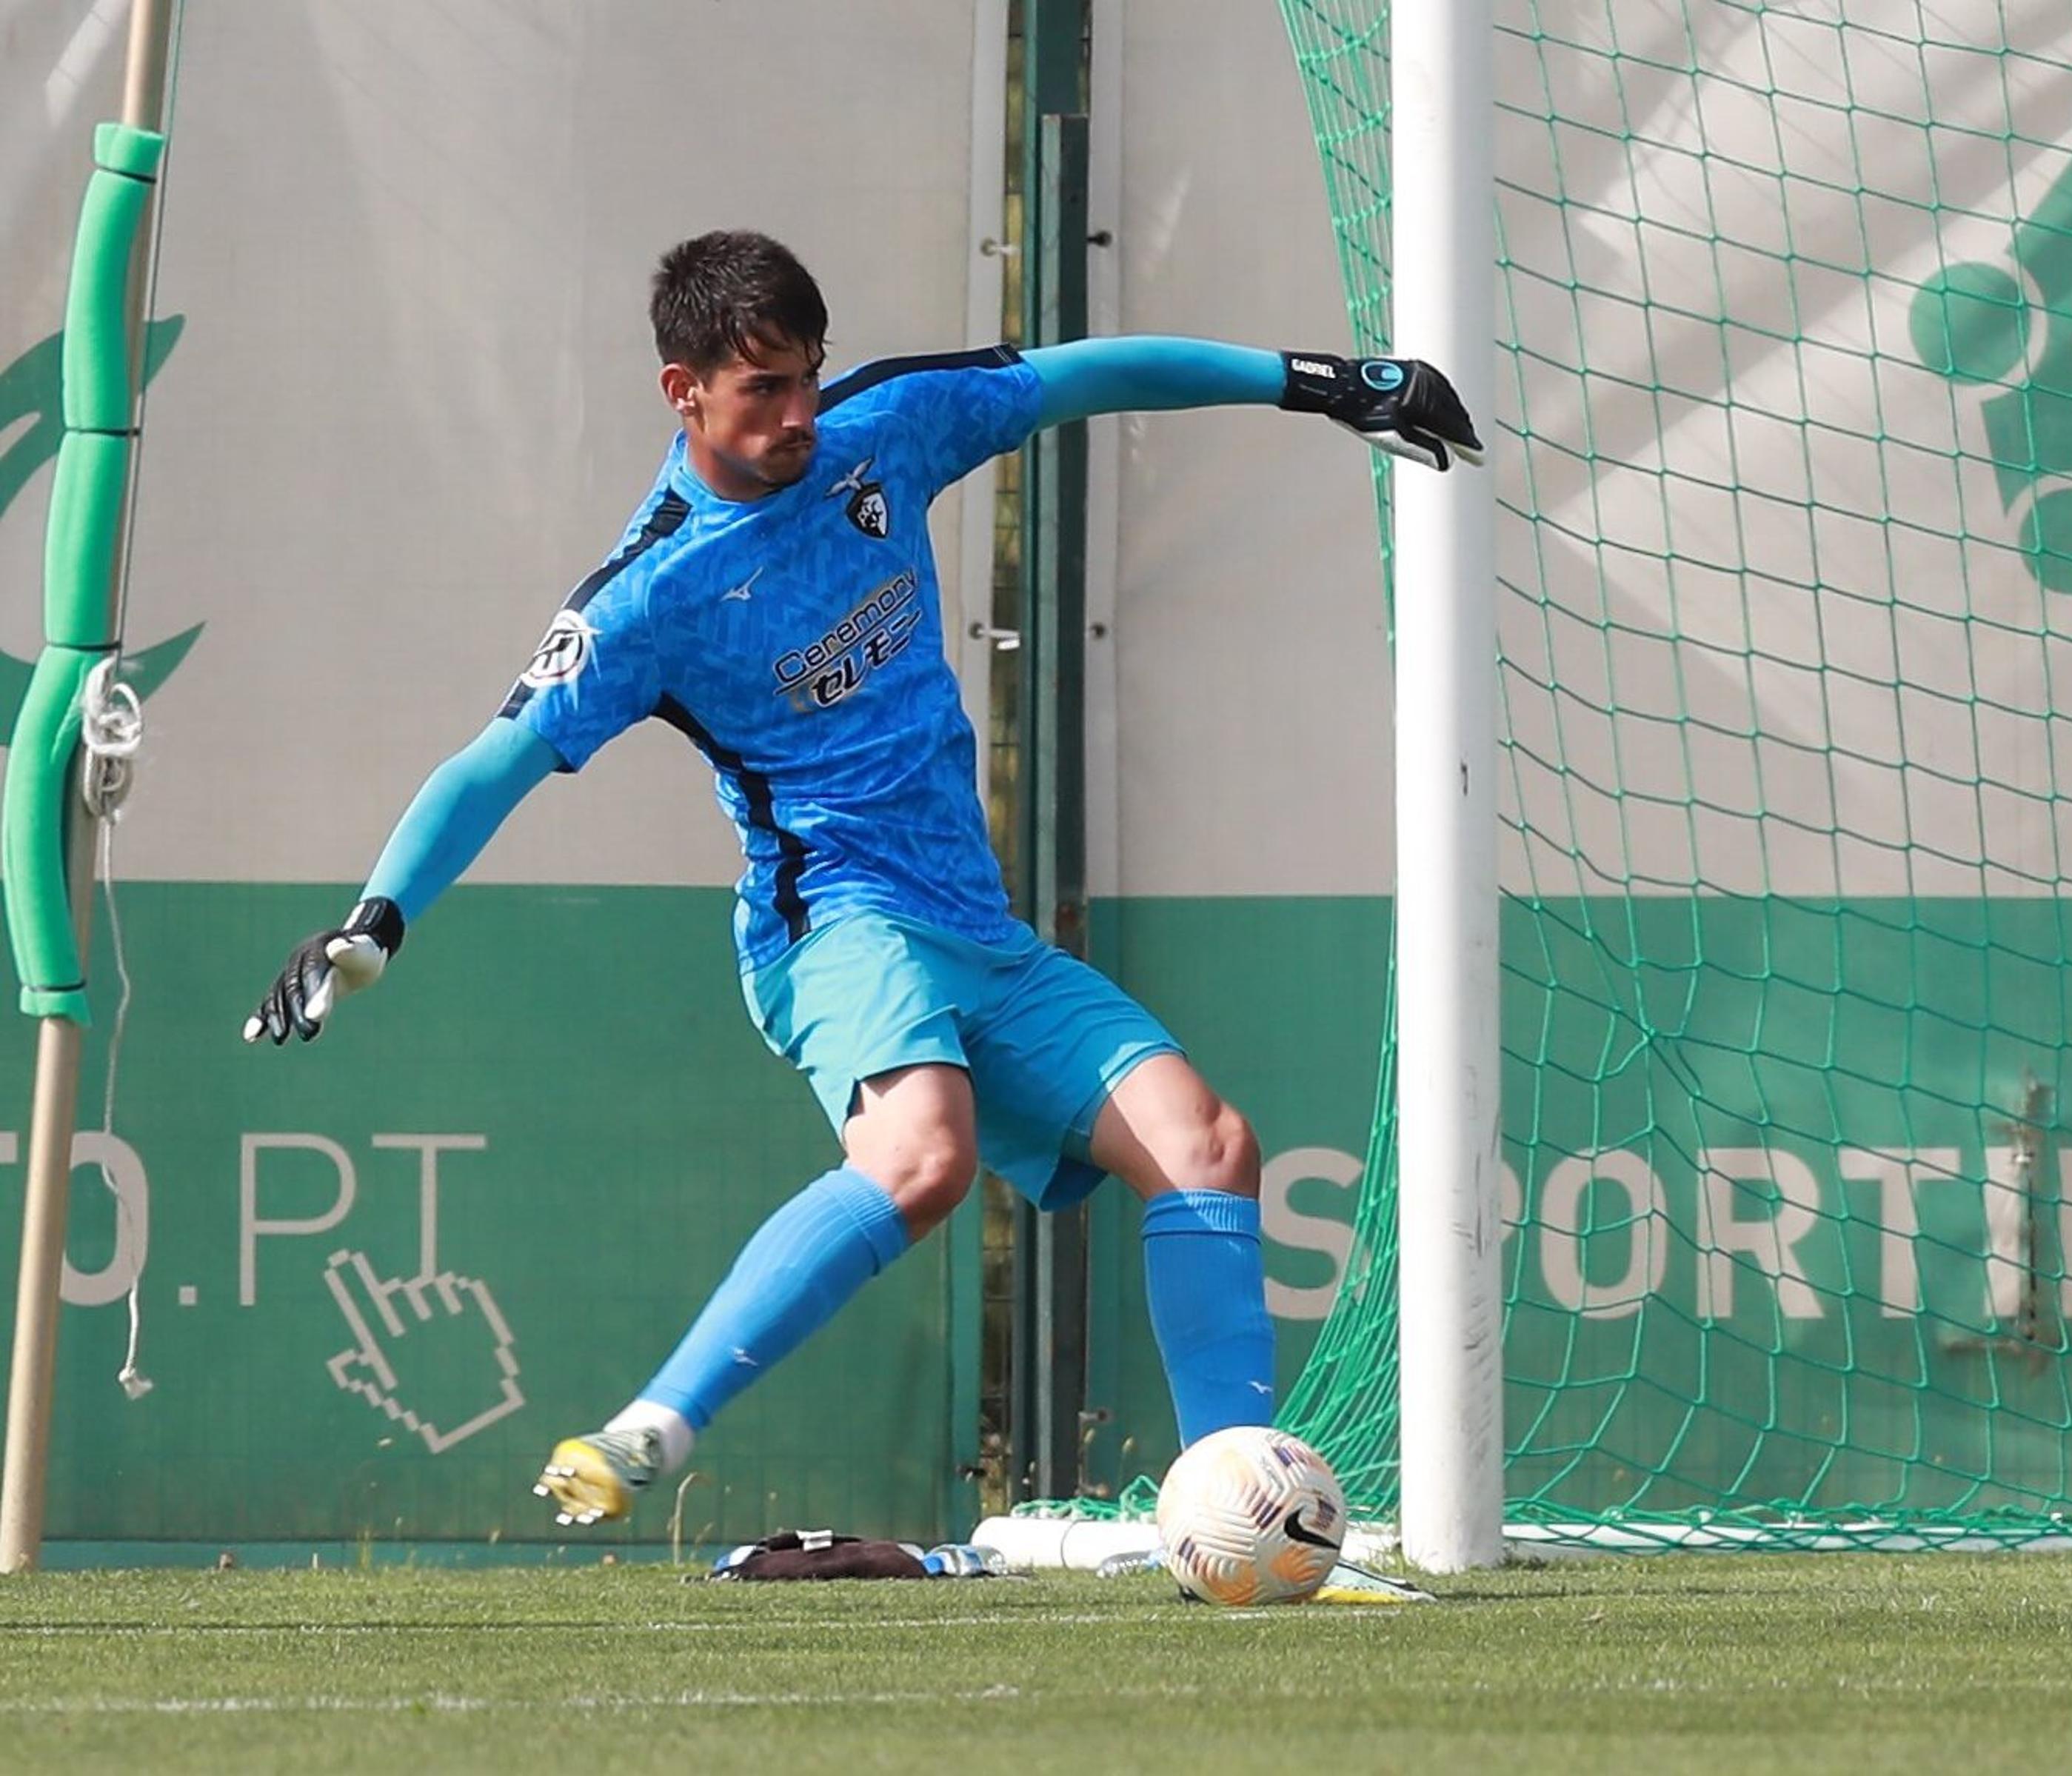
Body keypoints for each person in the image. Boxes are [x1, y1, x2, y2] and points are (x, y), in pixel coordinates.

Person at [244, 229, 1480, 1534]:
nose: (796, 414)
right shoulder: (647, 596)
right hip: (832, 922)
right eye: (762, 387)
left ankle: (1245, 1516)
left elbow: (1077, 376)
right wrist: (372, 919)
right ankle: (650, 1429)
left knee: (1208, 1148)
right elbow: (490, 764)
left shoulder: (881, 430)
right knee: (924, 1156)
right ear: (686, 392)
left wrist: (1317, 380)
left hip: (973, 928)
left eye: (806, 378)